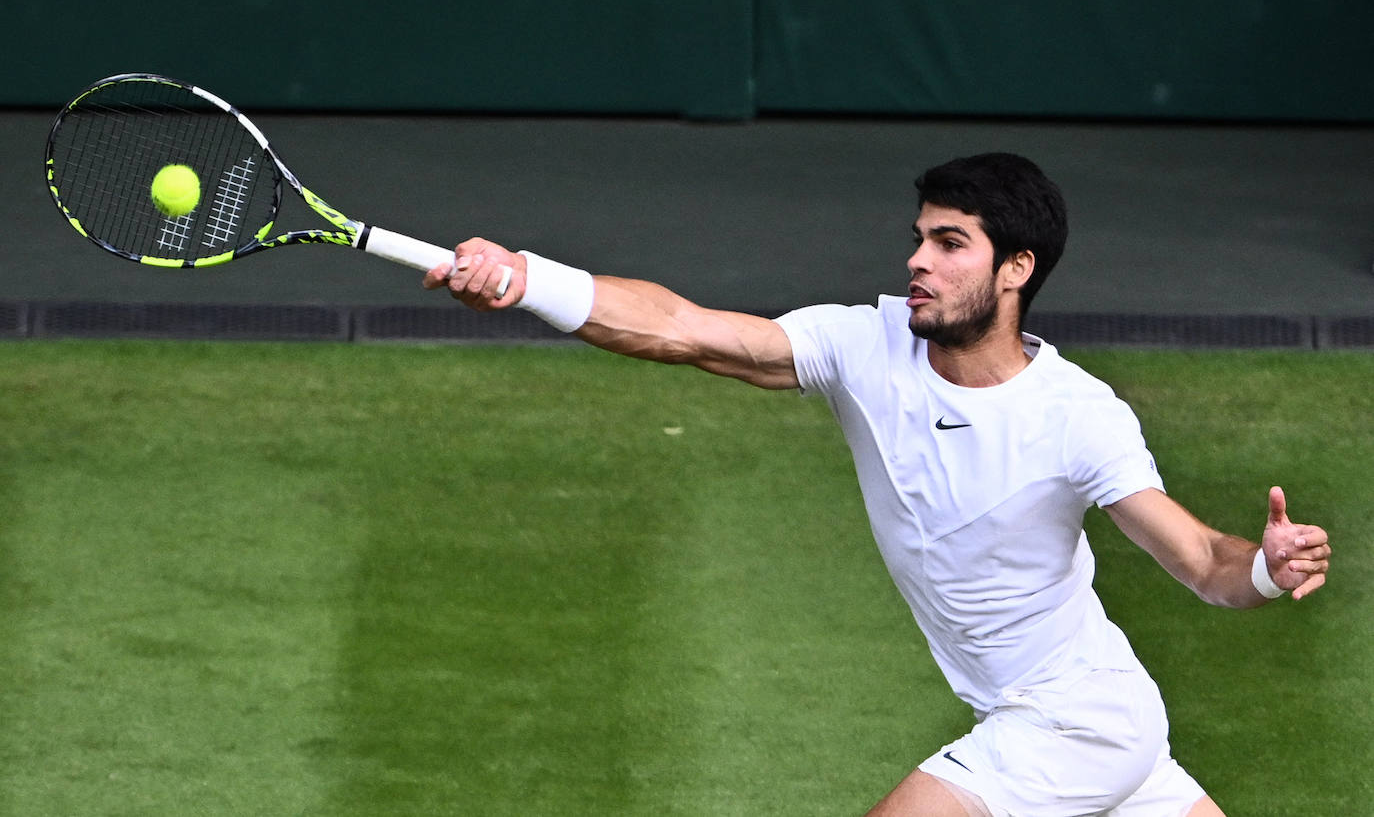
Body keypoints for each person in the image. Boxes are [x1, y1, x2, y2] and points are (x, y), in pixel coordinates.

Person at [422, 152, 1331, 817]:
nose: (917, 263)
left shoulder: (1079, 415)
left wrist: (1264, 568)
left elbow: (1205, 561)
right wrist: (529, 280)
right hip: (1078, 716)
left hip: (1077, 720)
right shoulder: (867, 343)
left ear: (1016, 270)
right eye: (918, 240)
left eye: (950, 244)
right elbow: (687, 330)